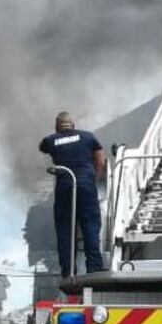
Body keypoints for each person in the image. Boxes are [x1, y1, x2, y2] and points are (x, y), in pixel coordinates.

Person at [39, 111, 107, 277]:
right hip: (86, 185)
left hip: (65, 184)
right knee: (90, 225)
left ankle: (68, 271)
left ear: (57, 126)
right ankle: (94, 268)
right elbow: (100, 161)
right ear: (73, 125)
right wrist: (93, 179)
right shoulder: (88, 137)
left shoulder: (51, 140)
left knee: (65, 229)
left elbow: (43, 147)